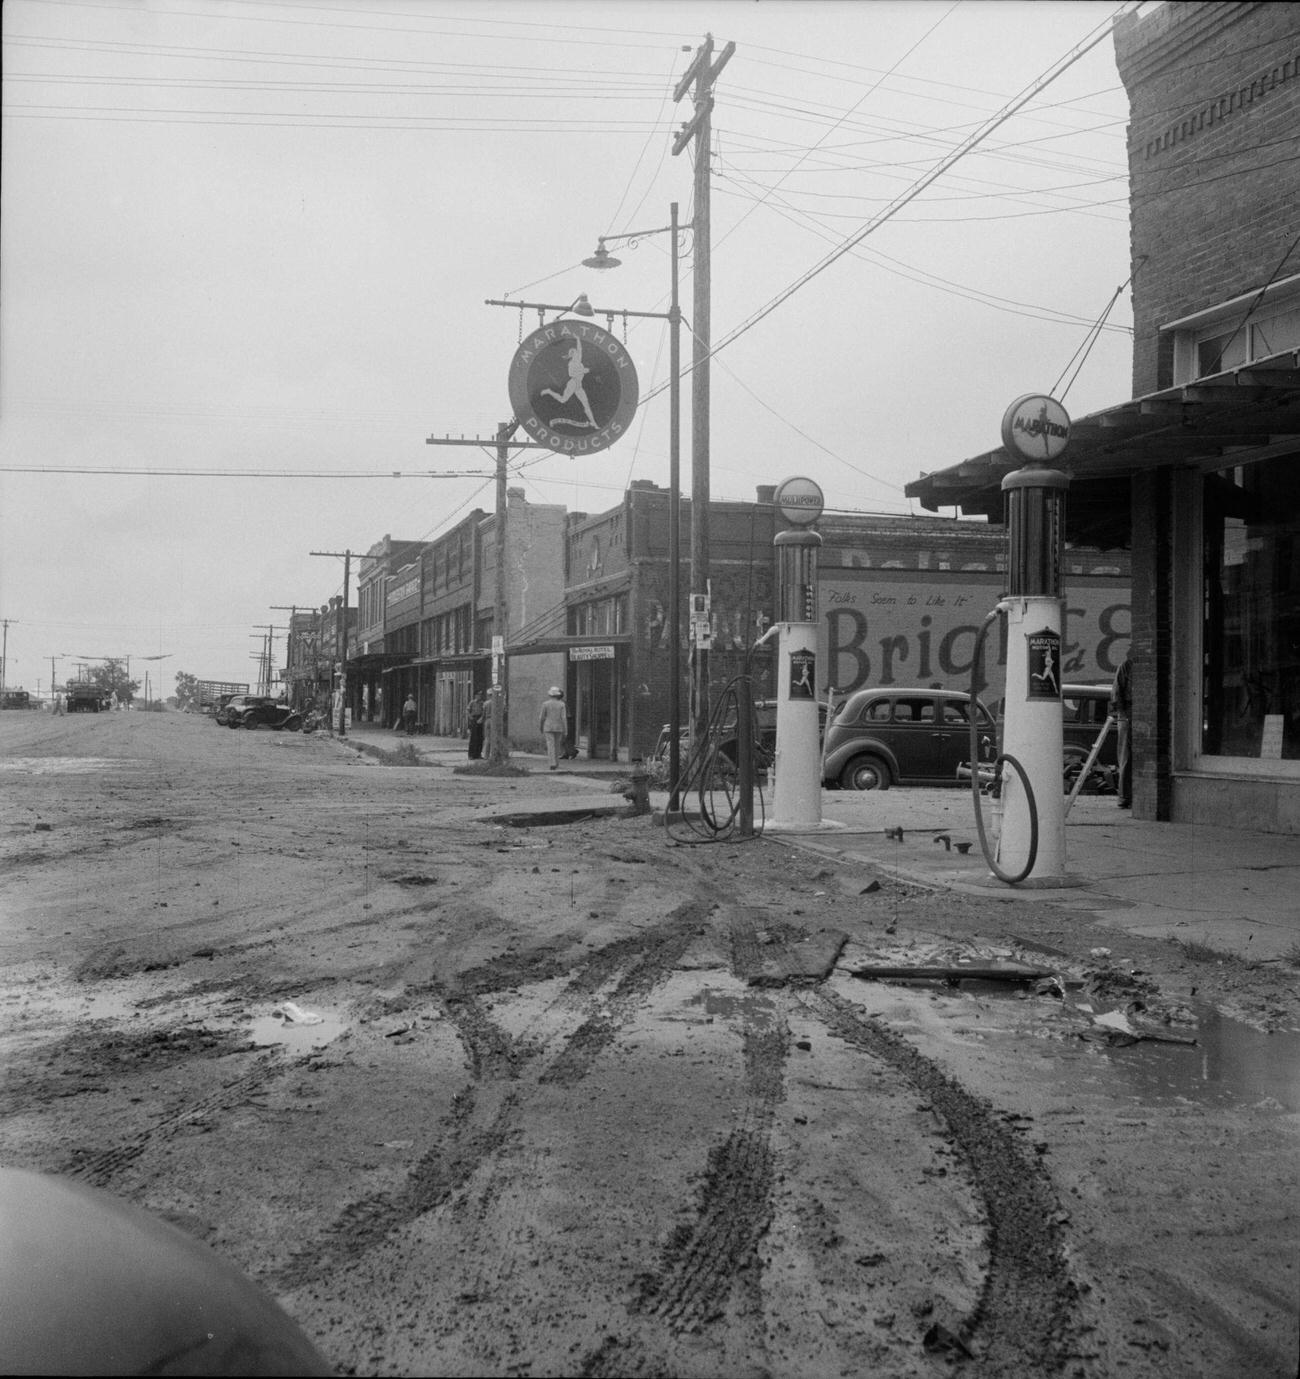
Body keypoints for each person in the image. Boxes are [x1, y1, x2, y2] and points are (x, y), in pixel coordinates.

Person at [1111, 654, 1132, 808]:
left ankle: (1128, 796)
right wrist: (1123, 715)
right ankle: (1124, 797)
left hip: (1139, 713)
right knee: (1126, 755)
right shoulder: (1127, 666)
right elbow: (1116, 693)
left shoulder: (1129, 666)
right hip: (1128, 714)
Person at [539, 686, 567, 770]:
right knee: (557, 745)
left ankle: (552, 763)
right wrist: (566, 730)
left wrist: (541, 726)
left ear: (550, 695)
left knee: (550, 745)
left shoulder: (545, 704)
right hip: (559, 726)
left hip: (548, 726)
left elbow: (542, 717)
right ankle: (556, 762)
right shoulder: (562, 704)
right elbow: (564, 718)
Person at [466, 690, 486, 760]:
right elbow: (468, 710)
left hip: (480, 719)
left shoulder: (482, 703)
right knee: (473, 737)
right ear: (475, 696)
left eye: (480, 695)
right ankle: (471, 755)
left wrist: (481, 718)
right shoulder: (472, 702)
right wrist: (470, 717)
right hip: (474, 719)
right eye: (478, 695)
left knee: (480, 737)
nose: (479, 696)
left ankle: (478, 754)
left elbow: (484, 712)